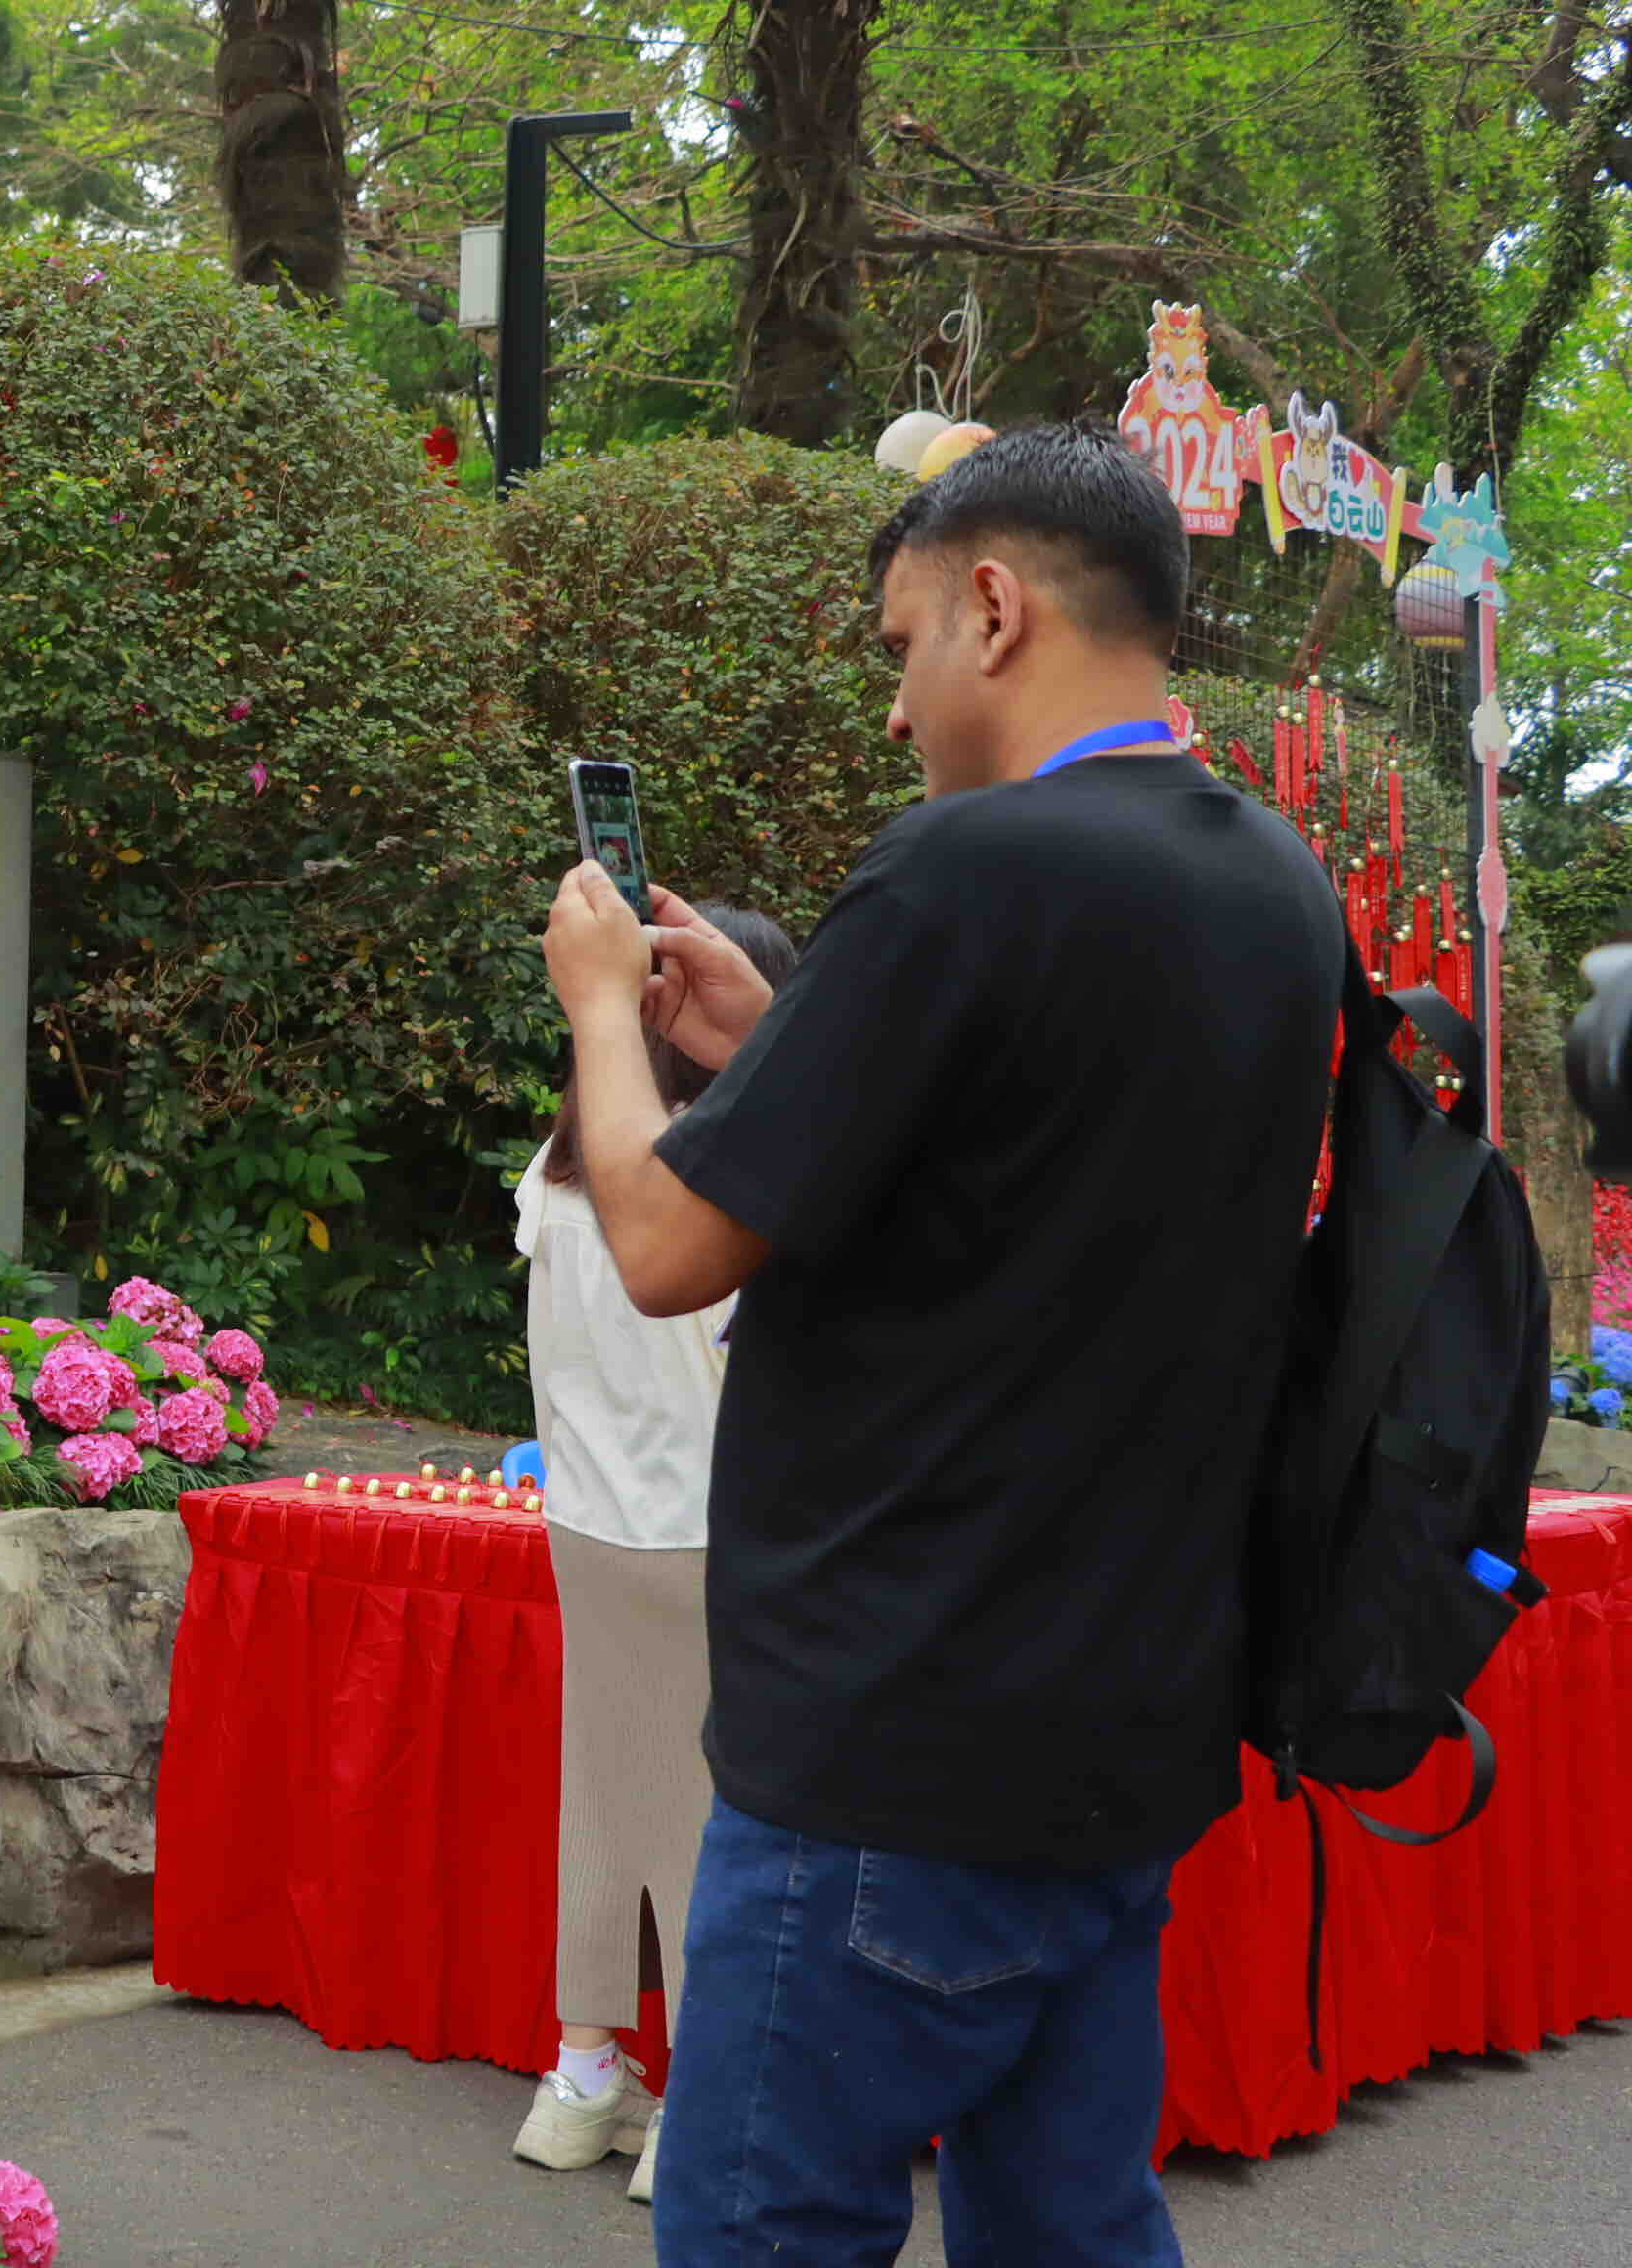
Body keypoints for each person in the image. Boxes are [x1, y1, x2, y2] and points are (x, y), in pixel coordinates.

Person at [538, 423, 1340, 2265]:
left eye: (900, 645)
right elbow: (1024, 1181)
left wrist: (606, 1009)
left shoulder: (962, 872)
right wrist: (780, 1039)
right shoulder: (1272, 888)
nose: (897, 708)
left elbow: (657, 1241)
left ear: (992, 609)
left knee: (764, 2232)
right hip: (1118, 1737)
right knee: (1069, 2228)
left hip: (886, 1746)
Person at [511, 905, 799, 2207]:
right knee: (700, 1825)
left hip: (587, 1523)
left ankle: (580, 2078)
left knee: (604, 1800)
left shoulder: (560, 1171)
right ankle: (697, 2104)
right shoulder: (729, 1173)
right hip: (705, 1531)